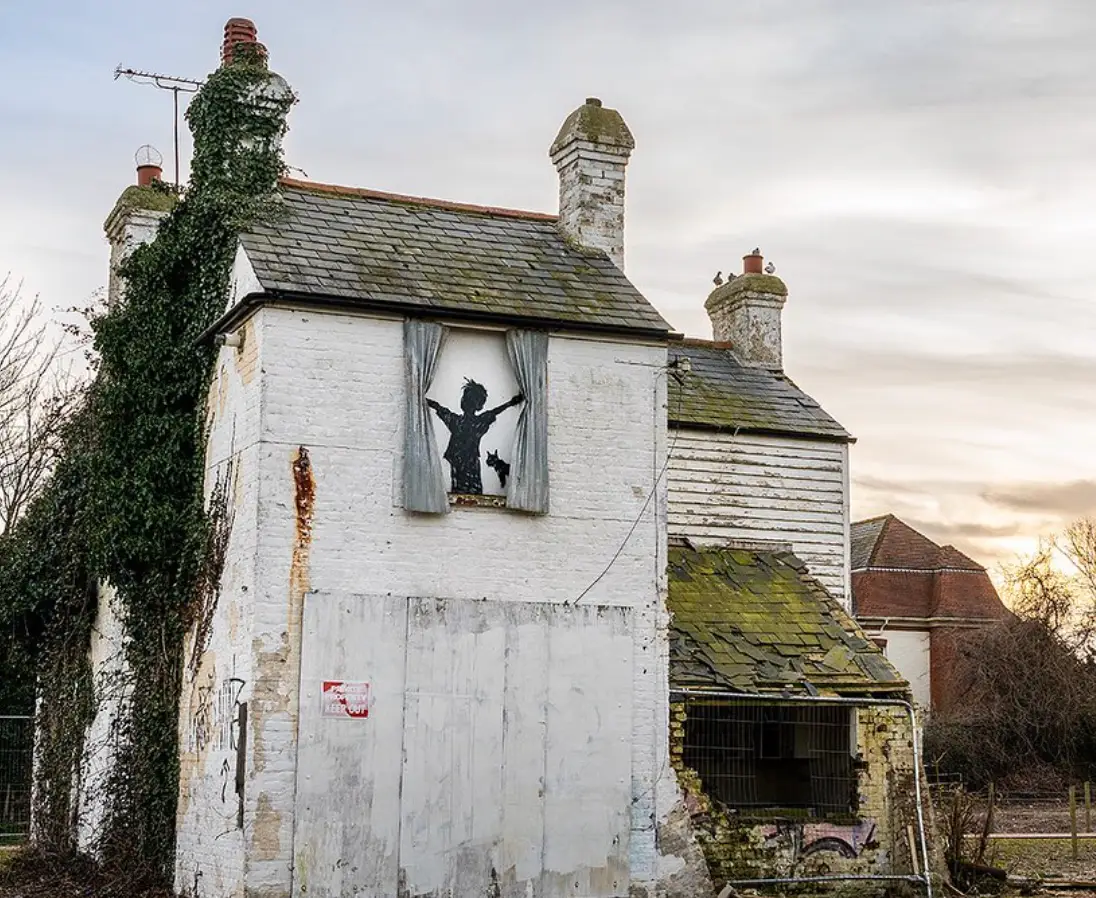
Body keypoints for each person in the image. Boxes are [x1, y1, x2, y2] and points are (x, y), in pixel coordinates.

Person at [428, 379, 523, 494]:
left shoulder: (456, 422)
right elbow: (493, 412)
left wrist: (422, 398)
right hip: (469, 465)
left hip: (463, 465)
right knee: (469, 491)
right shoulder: (475, 422)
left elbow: (437, 407)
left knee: (461, 490)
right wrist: (510, 403)